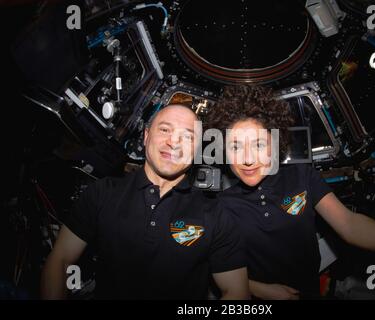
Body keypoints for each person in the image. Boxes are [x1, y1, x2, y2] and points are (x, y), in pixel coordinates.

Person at [206, 85, 375, 300]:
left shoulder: (301, 175)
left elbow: (348, 224)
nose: (247, 159)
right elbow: (219, 272)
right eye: (235, 146)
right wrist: (261, 290)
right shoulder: (221, 206)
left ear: (275, 143)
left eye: (258, 144)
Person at [41, 104, 250, 300]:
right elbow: (60, 260)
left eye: (188, 136)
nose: (173, 142)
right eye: (165, 130)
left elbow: (236, 292)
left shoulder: (216, 214)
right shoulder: (102, 192)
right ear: (146, 136)